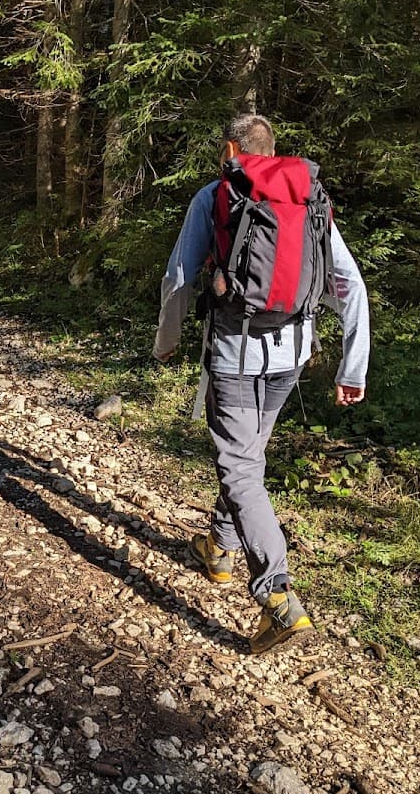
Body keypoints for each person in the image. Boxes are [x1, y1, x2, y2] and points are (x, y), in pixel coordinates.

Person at [153, 113, 369, 653]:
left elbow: (179, 275)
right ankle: (220, 549)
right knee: (249, 456)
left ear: (231, 147)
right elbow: (348, 281)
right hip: (293, 352)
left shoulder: (217, 194)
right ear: (272, 149)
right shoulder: (308, 198)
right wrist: (352, 366)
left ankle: (278, 596)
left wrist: (166, 339)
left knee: (240, 466)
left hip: (234, 351)